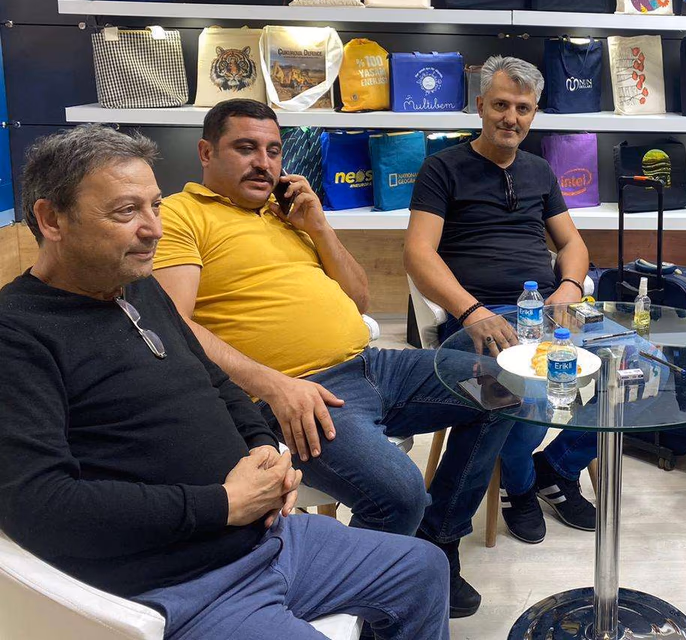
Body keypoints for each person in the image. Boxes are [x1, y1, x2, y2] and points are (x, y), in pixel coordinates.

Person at [0, 125, 449, 640]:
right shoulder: (18, 335)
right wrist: (224, 504)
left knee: (422, 568)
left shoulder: (137, 289)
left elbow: (214, 381)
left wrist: (264, 448)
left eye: (155, 206)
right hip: (182, 586)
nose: (154, 229)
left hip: (271, 539)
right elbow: (41, 505)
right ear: (51, 219)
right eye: (126, 212)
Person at [152, 100, 511, 618]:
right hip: (300, 393)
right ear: (206, 152)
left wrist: (318, 226)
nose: (264, 163)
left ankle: (438, 538)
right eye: (246, 148)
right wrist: (274, 385)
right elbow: (175, 324)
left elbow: (359, 298)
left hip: (375, 366)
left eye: (273, 151)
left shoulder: (288, 214)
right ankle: (369, 604)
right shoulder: (181, 215)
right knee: (399, 493)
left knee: (503, 389)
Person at [405, 55, 597, 545]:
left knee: (640, 372)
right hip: (478, 318)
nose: (511, 118)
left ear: (534, 114)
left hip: (548, 312)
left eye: (523, 108)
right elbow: (418, 253)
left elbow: (573, 244)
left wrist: (570, 288)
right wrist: (472, 311)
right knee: (526, 395)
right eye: (501, 105)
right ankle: (521, 485)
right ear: (480, 106)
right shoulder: (442, 168)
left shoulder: (539, 171)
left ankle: (557, 465)